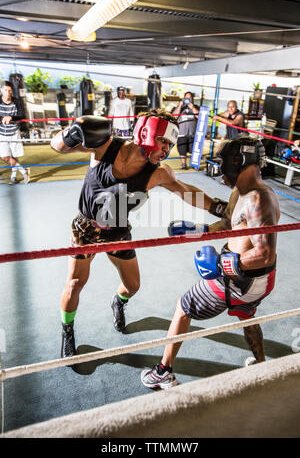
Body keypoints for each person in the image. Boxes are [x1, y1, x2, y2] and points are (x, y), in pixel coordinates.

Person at [50, 110, 228, 358]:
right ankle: (67, 331)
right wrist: (71, 133)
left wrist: (220, 208)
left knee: (132, 286)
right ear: (146, 132)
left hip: (119, 231)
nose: (166, 150)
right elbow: (57, 146)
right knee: (75, 284)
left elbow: (186, 191)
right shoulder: (105, 147)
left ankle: (118, 303)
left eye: (170, 145)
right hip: (86, 228)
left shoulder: (159, 173)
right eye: (163, 141)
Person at [141, 135, 280, 390]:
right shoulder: (242, 191)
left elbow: (264, 254)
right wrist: (197, 229)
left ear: (239, 160)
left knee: (183, 306)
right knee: (247, 314)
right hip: (254, 280)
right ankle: (261, 364)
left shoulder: (259, 200)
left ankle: (164, 372)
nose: (220, 167)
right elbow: (229, 222)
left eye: (225, 161)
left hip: (243, 280)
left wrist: (220, 266)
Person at [0, 81, 30, 185]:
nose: (8, 92)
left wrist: (11, 117)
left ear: (12, 91)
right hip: (2, 134)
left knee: (14, 155)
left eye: (9, 90)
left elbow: (22, 115)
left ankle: (13, 176)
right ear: (1, 90)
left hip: (14, 132)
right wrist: (2, 118)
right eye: (5, 90)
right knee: (4, 157)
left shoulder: (17, 101)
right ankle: (23, 170)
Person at [173, 92, 199, 170]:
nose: (188, 99)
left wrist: (193, 108)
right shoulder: (180, 107)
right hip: (181, 133)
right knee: (182, 149)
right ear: (183, 98)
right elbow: (174, 116)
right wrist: (180, 105)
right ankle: (183, 164)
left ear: (192, 99)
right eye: (186, 98)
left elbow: (199, 116)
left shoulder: (196, 107)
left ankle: (193, 164)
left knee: (193, 149)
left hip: (192, 133)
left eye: (189, 98)